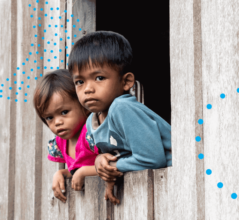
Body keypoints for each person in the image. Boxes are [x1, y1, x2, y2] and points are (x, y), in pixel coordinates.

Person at [68, 31, 172, 204]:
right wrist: (101, 162)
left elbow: (152, 159)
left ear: (126, 82)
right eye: (80, 82)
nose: (87, 89)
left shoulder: (122, 108)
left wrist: (114, 167)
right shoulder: (92, 120)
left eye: (99, 78)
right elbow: (117, 157)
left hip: (176, 175)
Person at [33, 69, 99, 203]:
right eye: (49, 117)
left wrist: (85, 172)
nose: (57, 122)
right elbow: (79, 167)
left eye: (64, 112)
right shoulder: (60, 143)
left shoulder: (93, 133)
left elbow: (115, 164)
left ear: (84, 106)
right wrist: (62, 173)